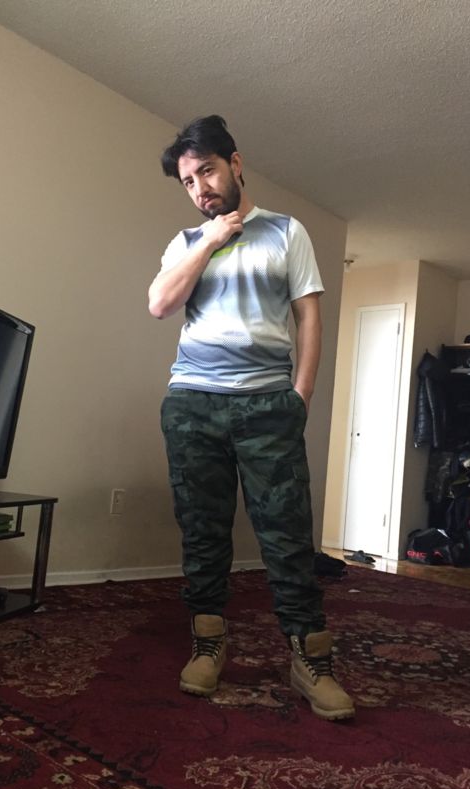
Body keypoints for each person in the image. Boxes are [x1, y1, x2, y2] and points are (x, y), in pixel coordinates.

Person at [148, 115, 354, 721]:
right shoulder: (186, 243)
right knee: (202, 529)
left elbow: (309, 316)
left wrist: (300, 396)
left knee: (286, 533)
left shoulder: (286, 232)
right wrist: (211, 239)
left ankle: (310, 658)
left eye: (207, 172)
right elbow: (160, 304)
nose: (200, 188)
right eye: (188, 182)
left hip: (268, 403)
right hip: (193, 402)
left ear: (235, 164)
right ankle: (208, 644)